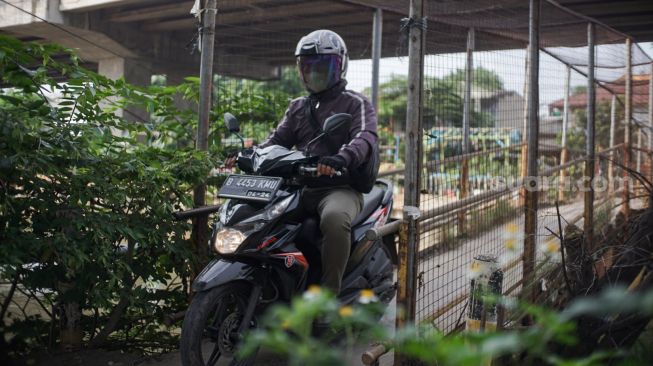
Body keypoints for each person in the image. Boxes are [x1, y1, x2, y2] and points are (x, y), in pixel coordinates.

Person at [225, 29, 378, 295]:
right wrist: (249, 155)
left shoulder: (356, 103)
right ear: (300, 69)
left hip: (337, 187)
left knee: (334, 219)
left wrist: (341, 158)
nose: (315, 72)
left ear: (340, 66)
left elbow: (365, 138)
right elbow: (276, 142)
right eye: (308, 66)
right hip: (296, 187)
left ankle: (328, 298)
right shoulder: (297, 107)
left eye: (323, 66)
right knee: (255, 218)